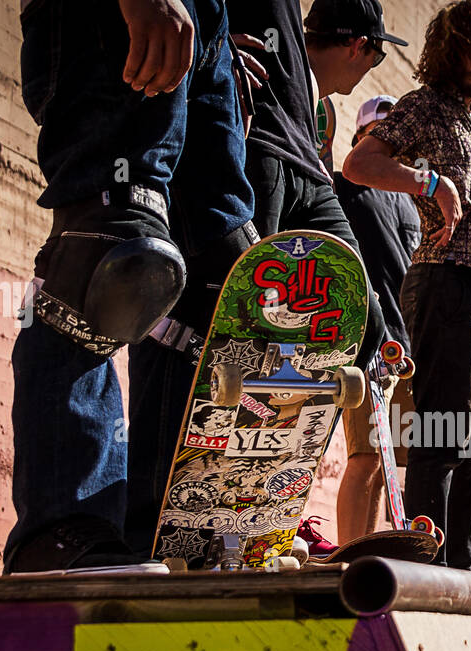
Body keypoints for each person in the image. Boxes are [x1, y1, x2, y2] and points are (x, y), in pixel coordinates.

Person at [130, 0, 405, 560]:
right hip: (246, 142)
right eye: (374, 57)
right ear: (362, 46)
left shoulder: (310, 86)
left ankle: (257, 516)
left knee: (360, 322)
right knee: (221, 318)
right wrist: (211, 48)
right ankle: (166, 533)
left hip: (304, 162)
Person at [5, 0, 255, 573]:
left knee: (227, 279)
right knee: (109, 251)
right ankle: (59, 527)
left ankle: (171, 532)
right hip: (111, 18)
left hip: (205, 25)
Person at [342, 0, 471, 569]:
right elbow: (359, 164)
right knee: (441, 438)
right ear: (453, 49)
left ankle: (463, 574)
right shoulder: (424, 106)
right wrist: (427, 180)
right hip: (441, 283)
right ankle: (429, 572)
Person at [333, 95, 422, 543]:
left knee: (392, 463)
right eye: (378, 133)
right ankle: (351, 558)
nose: (390, 144)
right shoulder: (342, 184)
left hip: (406, 346)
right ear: (359, 137)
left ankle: (372, 556)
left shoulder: (410, 204)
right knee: (366, 456)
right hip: (365, 338)